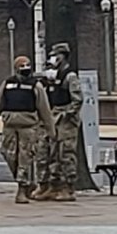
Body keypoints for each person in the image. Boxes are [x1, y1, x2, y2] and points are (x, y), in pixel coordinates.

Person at [0, 56, 56, 203]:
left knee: (25, 158)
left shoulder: (35, 86)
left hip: (28, 127)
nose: (25, 68)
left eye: (27, 65)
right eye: (22, 66)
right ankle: (26, 181)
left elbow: (44, 109)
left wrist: (51, 130)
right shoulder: (8, 84)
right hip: (9, 126)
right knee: (8, 154)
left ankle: (22, 189)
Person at [38, 41, 82, 202]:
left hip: (65, 120)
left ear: (63, 56)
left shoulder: (70, 76)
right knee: (51, 152)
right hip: (53, 117)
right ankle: (53, 185)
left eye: (57, 55)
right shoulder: (53, 76)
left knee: (66, 153)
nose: (54, 58)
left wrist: (67, 114)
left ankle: (68, 187)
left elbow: (77, 100)